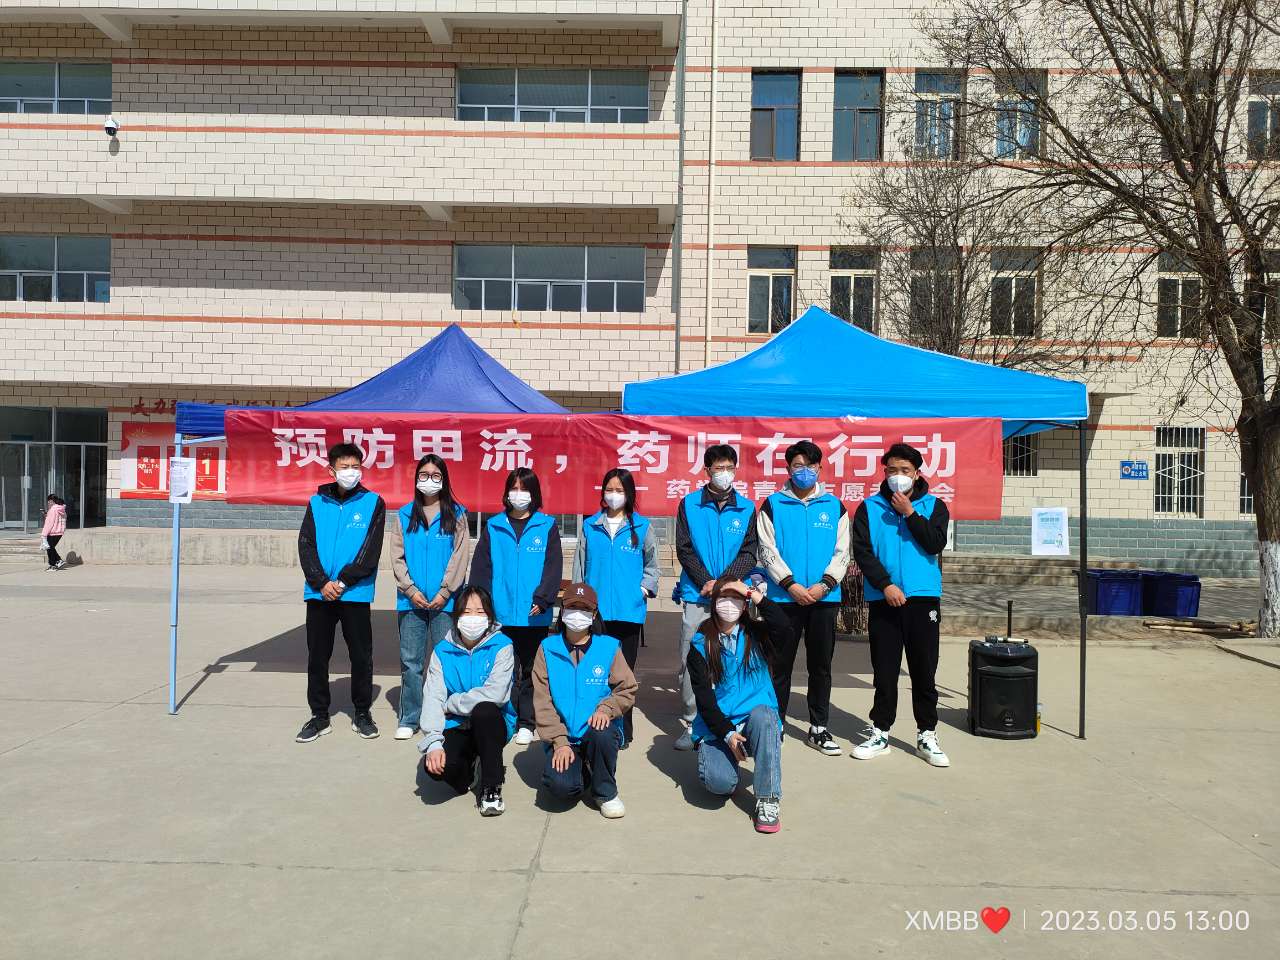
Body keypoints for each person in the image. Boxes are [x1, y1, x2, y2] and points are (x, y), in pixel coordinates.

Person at [849, 442, 952, 767]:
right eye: (892, 470)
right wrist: (886, 585)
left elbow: (935, 543)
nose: (898, 476)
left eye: (905, 470)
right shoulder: (870, 507)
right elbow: (862, 552)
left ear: (917, 473)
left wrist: (910, 513)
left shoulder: (934, 506)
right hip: (884, 598)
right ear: (884, 472)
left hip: (923, 598)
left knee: (924, 670)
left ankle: (927, 734)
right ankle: (880, 731)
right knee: (885, 670)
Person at [756, 440, 850, 755]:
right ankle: (775, 724)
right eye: (798, 465)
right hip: (784, 599)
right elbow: (767, 550)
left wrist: (825, 584)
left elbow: (843, 552)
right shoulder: (773, 505)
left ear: (820, 468)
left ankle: (818, 728)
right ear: (788, 469)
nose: (804, 471)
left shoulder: (835, 506)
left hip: (824, 599)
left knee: (820, 666)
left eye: (810, 466)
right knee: (779, 665)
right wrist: (790, 585)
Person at [295, 443, 386, 744]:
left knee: (361, 656)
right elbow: (306, 544)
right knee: (317, 656)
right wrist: (321, 582)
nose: (351, 472)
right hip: (319, 593)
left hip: (355, 593)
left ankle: (362, 713)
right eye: (344, 467)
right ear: (331, 470)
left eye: (355, 467)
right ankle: (319, 716)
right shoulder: (316, 502)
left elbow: (370, 550)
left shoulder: (373, 502)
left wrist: (344, 582)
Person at [672, 443, 758, 750]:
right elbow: (684, 548)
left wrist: (722, 584)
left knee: (734, 658)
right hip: (697, 595)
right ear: (707, 471)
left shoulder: (746, 508)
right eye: (718, 468)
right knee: (691, 659)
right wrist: (706, 582)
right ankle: (691, 723)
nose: (724, 473)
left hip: (733, 596)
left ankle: (731, 720)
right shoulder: (689, 504)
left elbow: (749, 552)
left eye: (729, 468)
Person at [687, 576, 790, 833]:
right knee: (720, 784)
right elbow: (705, 702)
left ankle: (768, 798)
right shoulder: (700, 644)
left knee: (765, 716)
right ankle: (725, 761)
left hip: (756, 720)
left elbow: (784, 626)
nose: (729, 603)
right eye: (724, 597)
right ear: (714, 602)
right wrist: (728, 735)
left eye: (736, 598)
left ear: (744, 605)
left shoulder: (758, 634)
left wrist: (751, 593)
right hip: (719, 727)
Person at [469, 467, 562, 746]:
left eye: (524, 489)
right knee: (504, 670)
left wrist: (543, 598)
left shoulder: (546, 526)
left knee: (532, 671)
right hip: (502, 614)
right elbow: (482, 568)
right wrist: (483, 604)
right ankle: (506, 719)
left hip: (534, 615)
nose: (518, 494)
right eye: (514, 488)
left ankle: (527, 722)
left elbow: (553, 567)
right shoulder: (494, 526)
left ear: (534, 494)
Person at [570, 467, 660, 747]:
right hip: (595, 614)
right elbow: (579, 567)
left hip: (628, 612)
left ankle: (622, 729)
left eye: (619, 490)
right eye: (609, 489)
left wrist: (641, 590)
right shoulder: (590, 526)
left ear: (629, 494)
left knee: (624, 674)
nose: (614, 495)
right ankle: (592, 726)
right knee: (595, 671)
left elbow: (652, 566)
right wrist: (577, 601)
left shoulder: (641, 527)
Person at [532, 582, 637, 818]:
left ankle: (606, 792)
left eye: (585, 609)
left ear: (594, 614)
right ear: (562, 610)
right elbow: (542, 700)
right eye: (572, 607)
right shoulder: (547, 648)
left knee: (602, 733)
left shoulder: (608, 647)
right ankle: (584, 770)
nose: (578, 614)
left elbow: (627, 688)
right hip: (564, 737)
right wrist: (559, 742)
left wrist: (606, 708)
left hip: (596, 730)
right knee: (561, 788)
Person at [389, 454, 470, 740]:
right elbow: (396, 557)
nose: (429, 480)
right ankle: (410, 717)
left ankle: (445, 715)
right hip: (410, 602)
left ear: (444, 480)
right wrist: (410, 590)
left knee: (446, 660)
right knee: (411, 662)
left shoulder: (457, 515)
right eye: (424, 475)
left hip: (445, 603)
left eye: (436, 475)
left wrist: (445, 591)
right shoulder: (404, 515)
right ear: (416, 480)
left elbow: (460, 556)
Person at [418, 585, 516, 817]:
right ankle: (470, 770)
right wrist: (433, 742)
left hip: (493, 722)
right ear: (457, 616)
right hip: (456, 723)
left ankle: (491, 787)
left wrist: (452, 703)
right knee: (436, 768)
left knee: (484, 710)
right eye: (467, 611)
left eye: (480, 612)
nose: (473, 618)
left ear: (490, 616)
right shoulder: (442, 651)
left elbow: (496, 694)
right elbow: (433, 696)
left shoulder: (502, 645)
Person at [41, 494, 67, 571]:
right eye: (48, 501)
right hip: (59, 532)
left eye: (50, 501)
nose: (48, 503)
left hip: (52, 532)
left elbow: (49, 523)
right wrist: (47, 515)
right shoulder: (61, 509)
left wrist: (44, 534)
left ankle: (53, 564)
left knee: (49, 548)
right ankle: (58, 561)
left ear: (53, 501)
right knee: (51, 548)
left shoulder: (53, 509)